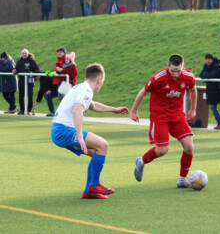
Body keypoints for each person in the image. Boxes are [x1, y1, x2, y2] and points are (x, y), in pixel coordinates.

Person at [51, 63, 129, 199]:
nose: (101, 84)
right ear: (99, 80)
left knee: (96, 152)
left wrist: (114, 109)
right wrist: (80, 136)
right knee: (103, 145)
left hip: (59, 130)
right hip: (63, 130)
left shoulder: (82, 88)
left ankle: (88, 191)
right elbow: (77, 110)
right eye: (102, 82)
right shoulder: (85, 90)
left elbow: (92, 105)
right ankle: (94, 185)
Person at [130, 54, 197, 188]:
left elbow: (193, 90)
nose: (176, 74)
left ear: (183, 67)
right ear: (168, 67)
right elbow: (143, 92)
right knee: (163, 150)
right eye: (173, 71)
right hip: (160, 117)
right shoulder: (159, 78)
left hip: (177, 116)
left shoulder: (188, 76)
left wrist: (193, 109)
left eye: (178, 71)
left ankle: (182, 179)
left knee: (189, 147)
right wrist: (134, 111)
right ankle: (141, 161)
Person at [199, 54, 220, 129]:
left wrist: (207, 76)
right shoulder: (206, 66)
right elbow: (202, 75)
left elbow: (214, 74)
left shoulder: (217, 66)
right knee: (213, 107)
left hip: (219, 89)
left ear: (212, 59)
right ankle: (219, 122)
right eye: (206, 59)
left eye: (209, 59)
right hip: (210, 90)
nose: (207, 60)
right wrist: (208, 76)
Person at [13, 49, 40, 115]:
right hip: (21, 81)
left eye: (25, 53)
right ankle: (22, 110)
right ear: (21, 54)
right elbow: (16, 69)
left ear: (27, 54)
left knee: (30, 96)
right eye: (23, 53)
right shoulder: (19, 62)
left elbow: (36, 69)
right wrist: (14, 70)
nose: (24, 54)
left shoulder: (31, 61)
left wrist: (36, 76)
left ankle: (29, 110)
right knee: (21, 96)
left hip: (29, 81)